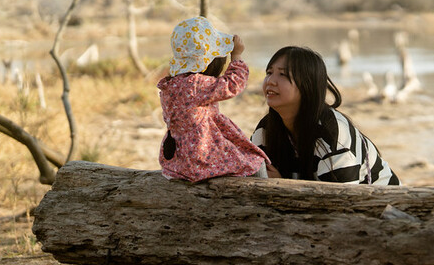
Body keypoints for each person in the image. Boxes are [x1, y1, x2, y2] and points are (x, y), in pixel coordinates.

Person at [251, 46, 400, 184]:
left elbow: (343, 202)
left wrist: (281, 185)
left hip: (383, 206)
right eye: (269, 73)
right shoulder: (265, 129)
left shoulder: (333, 134)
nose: (270, 81)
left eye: (282, 74)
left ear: (307, 85)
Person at [157, 16, 269, 182]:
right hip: (202, 156)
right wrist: (236, 55)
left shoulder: (171, 85)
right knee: (255, 163)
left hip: (179, 160)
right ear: (210, 61)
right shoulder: (194, 84)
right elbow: (234, 83)